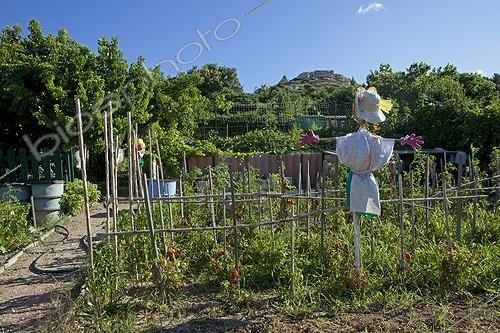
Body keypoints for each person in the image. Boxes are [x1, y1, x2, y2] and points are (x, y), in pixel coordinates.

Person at [300, 87, 423, 269]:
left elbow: (384, 144)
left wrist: (402, 141)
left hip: (363, 178)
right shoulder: (352, 140)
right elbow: (341, 141)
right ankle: (357, 266)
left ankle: (359, 266)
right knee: (356, 220)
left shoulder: (366, 141)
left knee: (358, 217)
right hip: (359, 178)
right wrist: (318, 140)